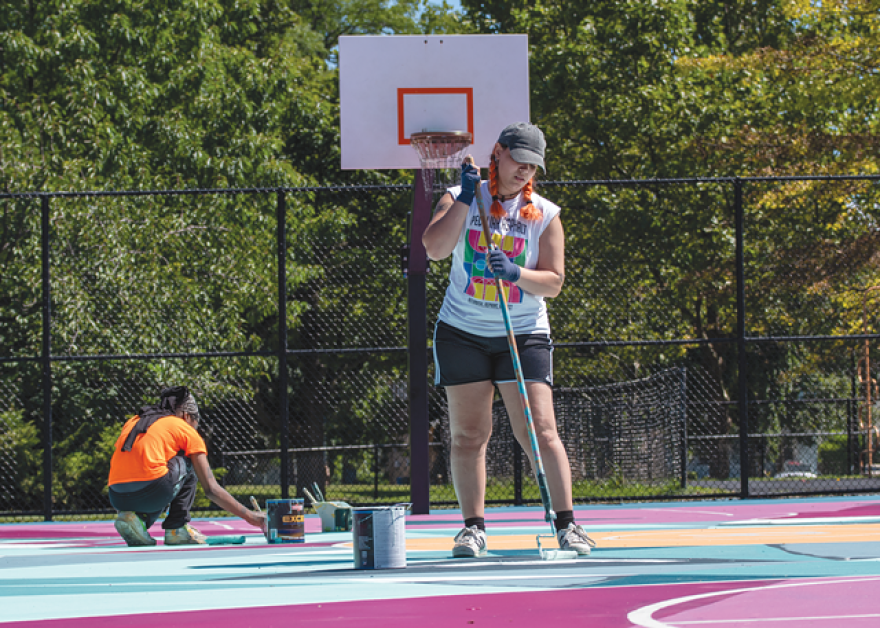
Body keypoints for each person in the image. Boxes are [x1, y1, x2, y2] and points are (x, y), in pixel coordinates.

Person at [422, 122, 596, 558]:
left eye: (533, 166)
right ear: (497, 153)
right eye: (519, 161)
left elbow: (553, 282)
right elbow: (435, 249)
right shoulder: (460, 195)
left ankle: (567, 524)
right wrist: (463, 198)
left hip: (523, 333)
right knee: (468, 434)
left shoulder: (546, 214)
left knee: (539, 429)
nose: (525, 172)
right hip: (463, 331)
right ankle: (472, 528)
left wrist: (517, 273)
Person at [107, 386, 267, 546]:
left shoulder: (135, 421)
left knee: (158, 471)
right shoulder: (182, 427)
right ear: (186, 415)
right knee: (188, 460)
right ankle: (177, 529)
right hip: (152, 492)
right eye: (195, 422)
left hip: (116, 496)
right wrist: (252, 517)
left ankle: (133, 518)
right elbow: (212, 489)